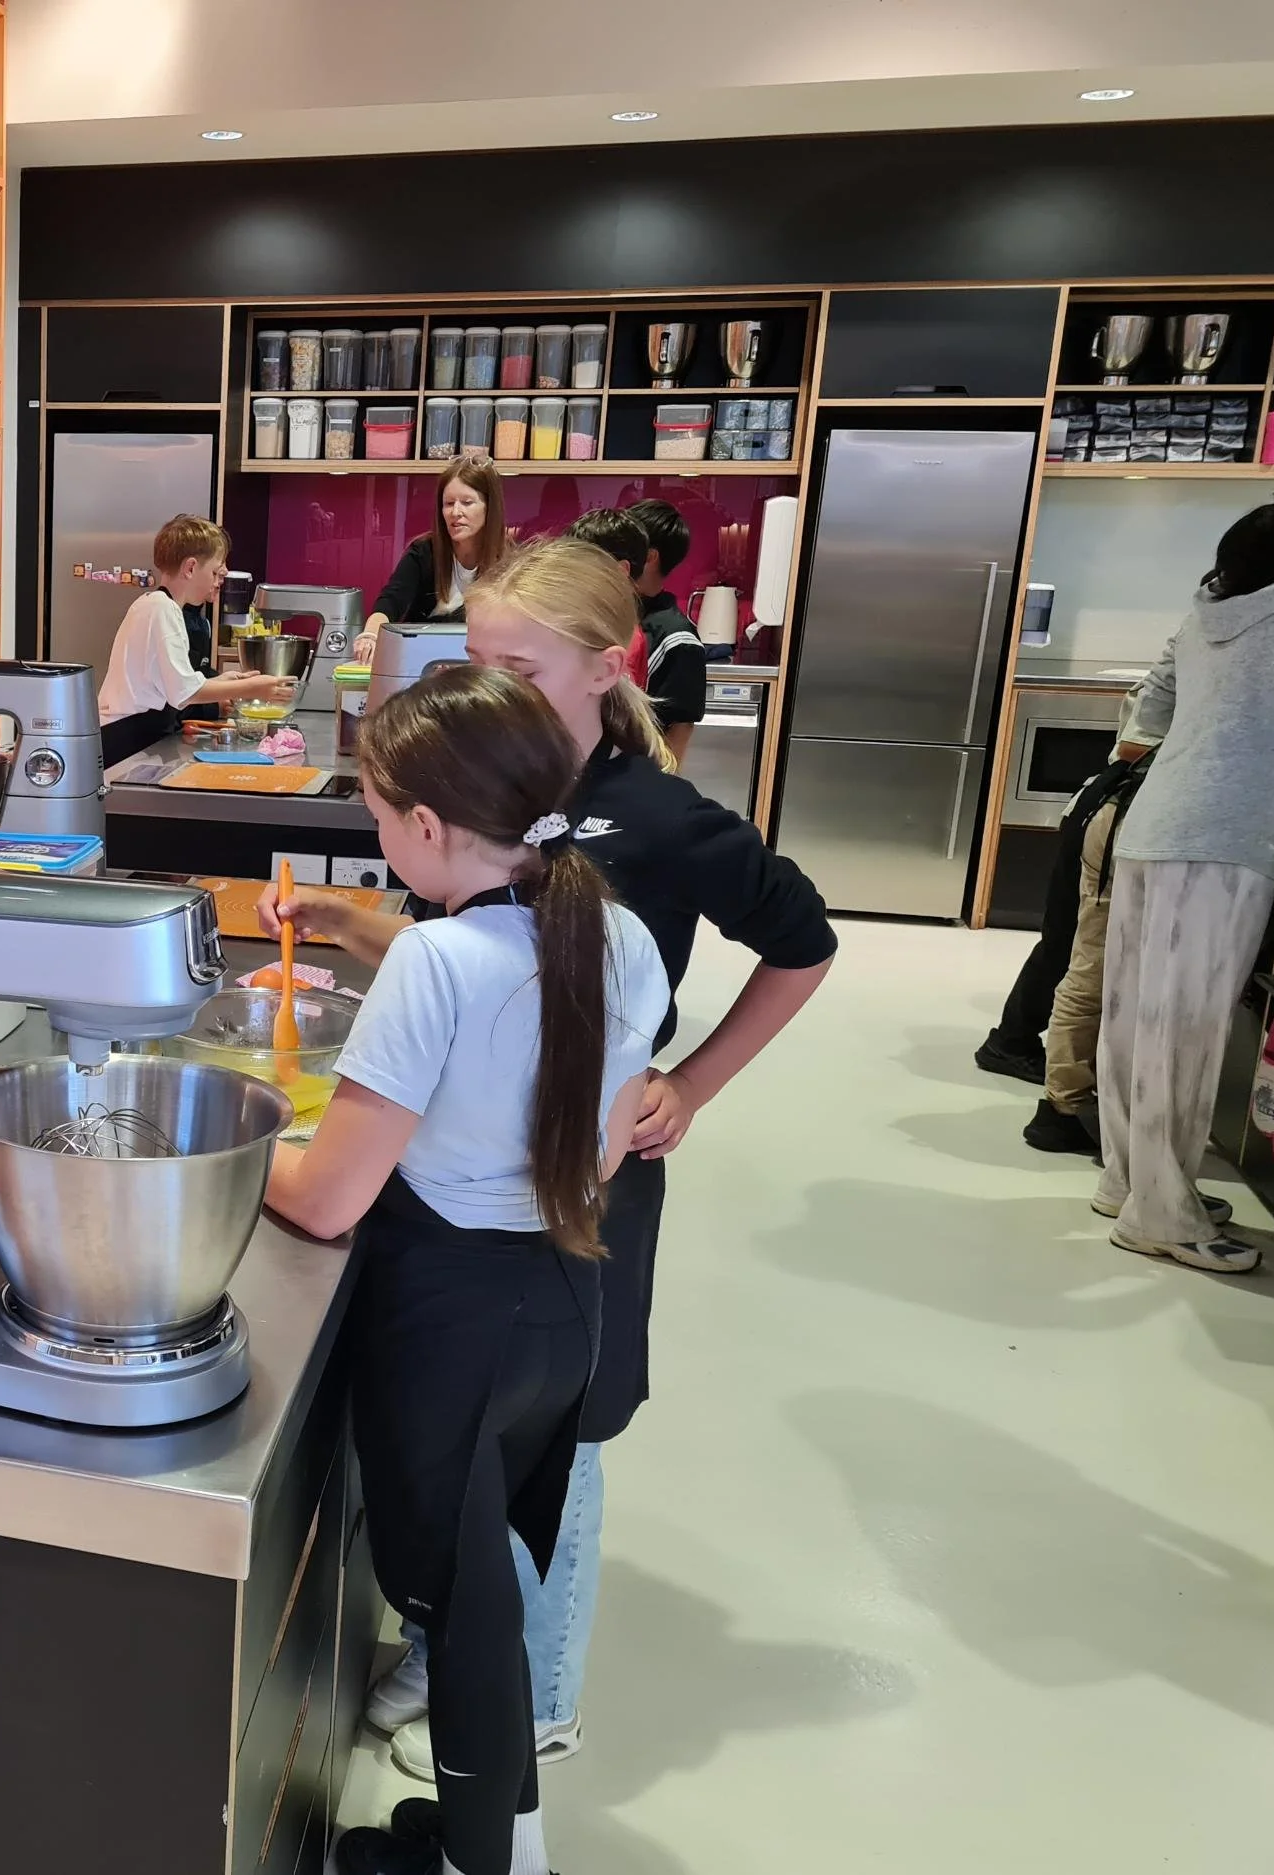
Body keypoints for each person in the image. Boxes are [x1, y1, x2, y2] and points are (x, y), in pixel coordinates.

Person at [266, 538, 835, 1776]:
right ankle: (467, 1664)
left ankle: (534, 1701)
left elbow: (801, 943)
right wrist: (352, 923)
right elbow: (493, 962)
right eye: (474, 661)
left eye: (515, 666)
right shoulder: (534, 837)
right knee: (486, 1475)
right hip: (519, 1211)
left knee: (539, 1467)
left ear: (603, 668)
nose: (491, 685)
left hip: (547, 1219)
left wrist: (689, 1084)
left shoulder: (656, 823)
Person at [262, 662, 669, 1875]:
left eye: (382, 818)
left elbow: (328, 1200)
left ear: (430, 826)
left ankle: (486, 1863)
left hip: (450, 1318)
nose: (381, 840)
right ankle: (492, 1839)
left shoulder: (434, 964)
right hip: (564, 1298)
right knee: (490, 1585)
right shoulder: (615, 931)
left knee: (460, 1604)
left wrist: (239, 1143)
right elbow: (601, 1149)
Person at [1091, 446, 1274, 1273]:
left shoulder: (1220, 597)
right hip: (1228, 838)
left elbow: (1151, 700)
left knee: (1137, 1017)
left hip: (1157, 822)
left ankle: (1129, 1182)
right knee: (1185, 1029)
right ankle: (1161, 1214)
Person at [1022, 747, 1155, 1156]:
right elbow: (1133, 746)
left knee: (1090, 965)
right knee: (1094, 970)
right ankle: (1068, 1107)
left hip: (1123, 809)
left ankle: (1068, 1105)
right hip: (1137, 816)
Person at [96, 514, 295, 768]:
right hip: (125, 740)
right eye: (214, 572)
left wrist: (222, 681)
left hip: (128, 736)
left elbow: (172, 685)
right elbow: (186, 693)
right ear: (190, 568)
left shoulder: (154, 605)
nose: (217, 582)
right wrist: (253, 688)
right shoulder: (162, 609)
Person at [349, 453, 510, 663]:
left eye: (467, 502)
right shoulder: (423, 552)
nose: (456, 512)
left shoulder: (510, 561)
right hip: (420, 661)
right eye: (449, 503)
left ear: (489, 507)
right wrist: (370, 635)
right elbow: (390, 603)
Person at [622, 498, 705, 762]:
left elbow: (680, 728)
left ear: (649, 557)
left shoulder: (677, 637)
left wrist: (658, 781)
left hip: (637, 772)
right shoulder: (614, 614)